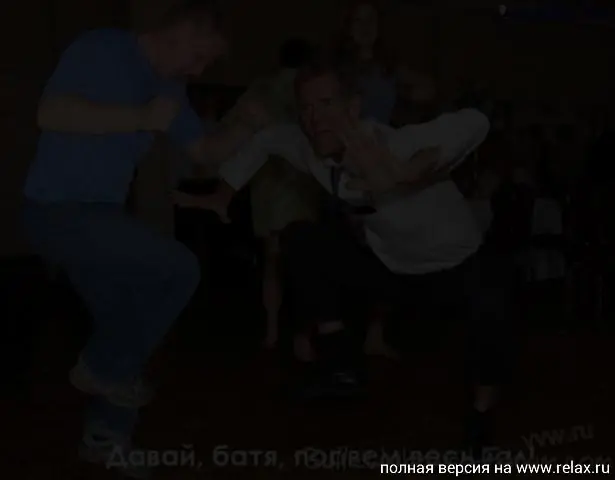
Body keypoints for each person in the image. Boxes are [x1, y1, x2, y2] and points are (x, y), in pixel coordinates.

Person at [173, 59, 515, 447]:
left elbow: (475, 123)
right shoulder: (310, 148)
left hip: (457, 269)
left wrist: (406, 173)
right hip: (394, 272)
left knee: (492, 298)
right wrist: (223, 194)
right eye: (306, 107)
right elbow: (266, 141)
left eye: (326, 103)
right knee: (302, 238)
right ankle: (340, 368)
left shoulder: (394, 145)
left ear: (353, 107)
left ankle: (481, 413)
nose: (314, 117)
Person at [22, 1, 270, 477]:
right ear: (182, 30)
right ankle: (97, 369)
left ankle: (105, 436)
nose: (199, 70)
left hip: (100, 220)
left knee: (129, 325)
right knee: (179, 269)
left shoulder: (169, 89)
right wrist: (139, 117)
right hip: (56, 211)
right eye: (199, 56)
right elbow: (51, 113)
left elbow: (204, 151)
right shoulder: (103, 47)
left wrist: (244, 124)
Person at [220, 38, 324, 352]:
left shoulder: (260, 89)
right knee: (304, 261)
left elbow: (229, 125)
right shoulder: (311, 88)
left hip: (267, 183)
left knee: (272, 260)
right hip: (301, 183)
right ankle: (302, 335)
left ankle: (272, 329)